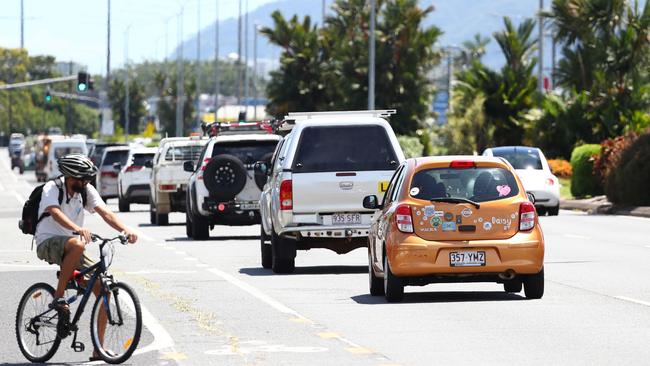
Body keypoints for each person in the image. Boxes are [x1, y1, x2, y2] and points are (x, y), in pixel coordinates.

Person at [34, 154, 138, 360]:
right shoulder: (52, 188)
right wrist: (77, 228)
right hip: (48, 242)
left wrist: (125, 229)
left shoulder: (86, 191)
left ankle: (99, 349)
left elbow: (105, 212)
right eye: (84, 179)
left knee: (104, 290)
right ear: (72, 177)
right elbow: (54, 212)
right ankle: (59, 297)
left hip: (74, 248)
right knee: (78, 243)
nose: (87, 182)